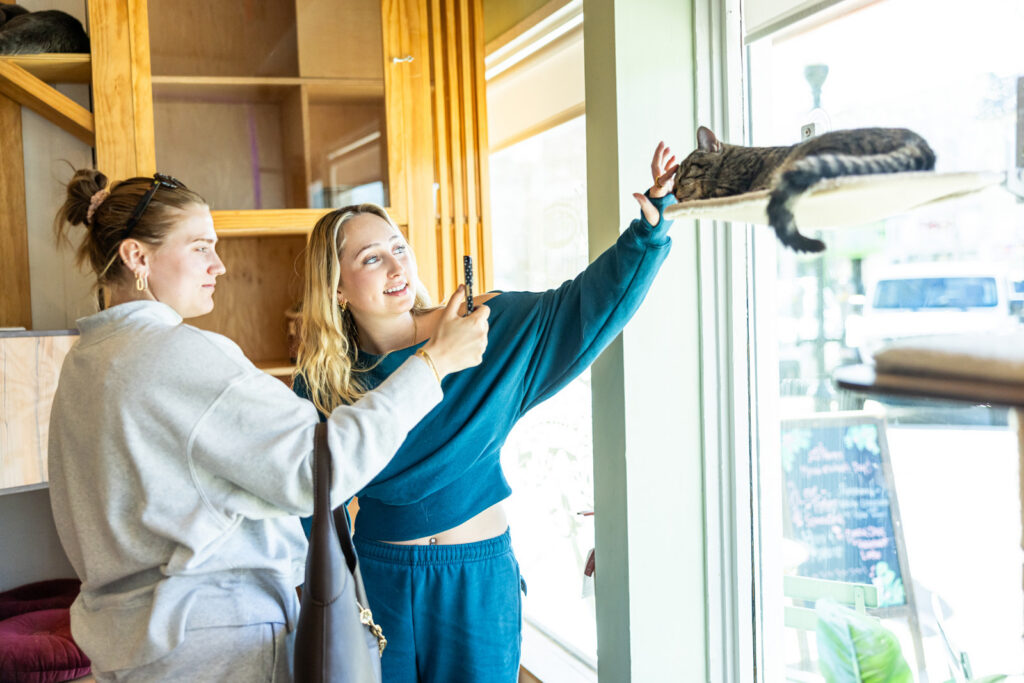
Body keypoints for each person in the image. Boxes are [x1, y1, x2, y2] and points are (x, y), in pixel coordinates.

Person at [46, 169, 490, 682]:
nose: (219, 265)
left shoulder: (84, 364)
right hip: (216, 651)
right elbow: (318, 468)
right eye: (199, 247)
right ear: (136, 257)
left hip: (130, 653)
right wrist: (434, 363)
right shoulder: (180, 356)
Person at [293, 143, 679, 682]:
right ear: (335, 288)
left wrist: (649, 232)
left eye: (398, 247)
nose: (395, 265)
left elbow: (586, 309)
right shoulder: (322, 383)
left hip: (477, 578)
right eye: (370, 258)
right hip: (377, 579)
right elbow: (307, 500)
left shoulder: (482, 329)